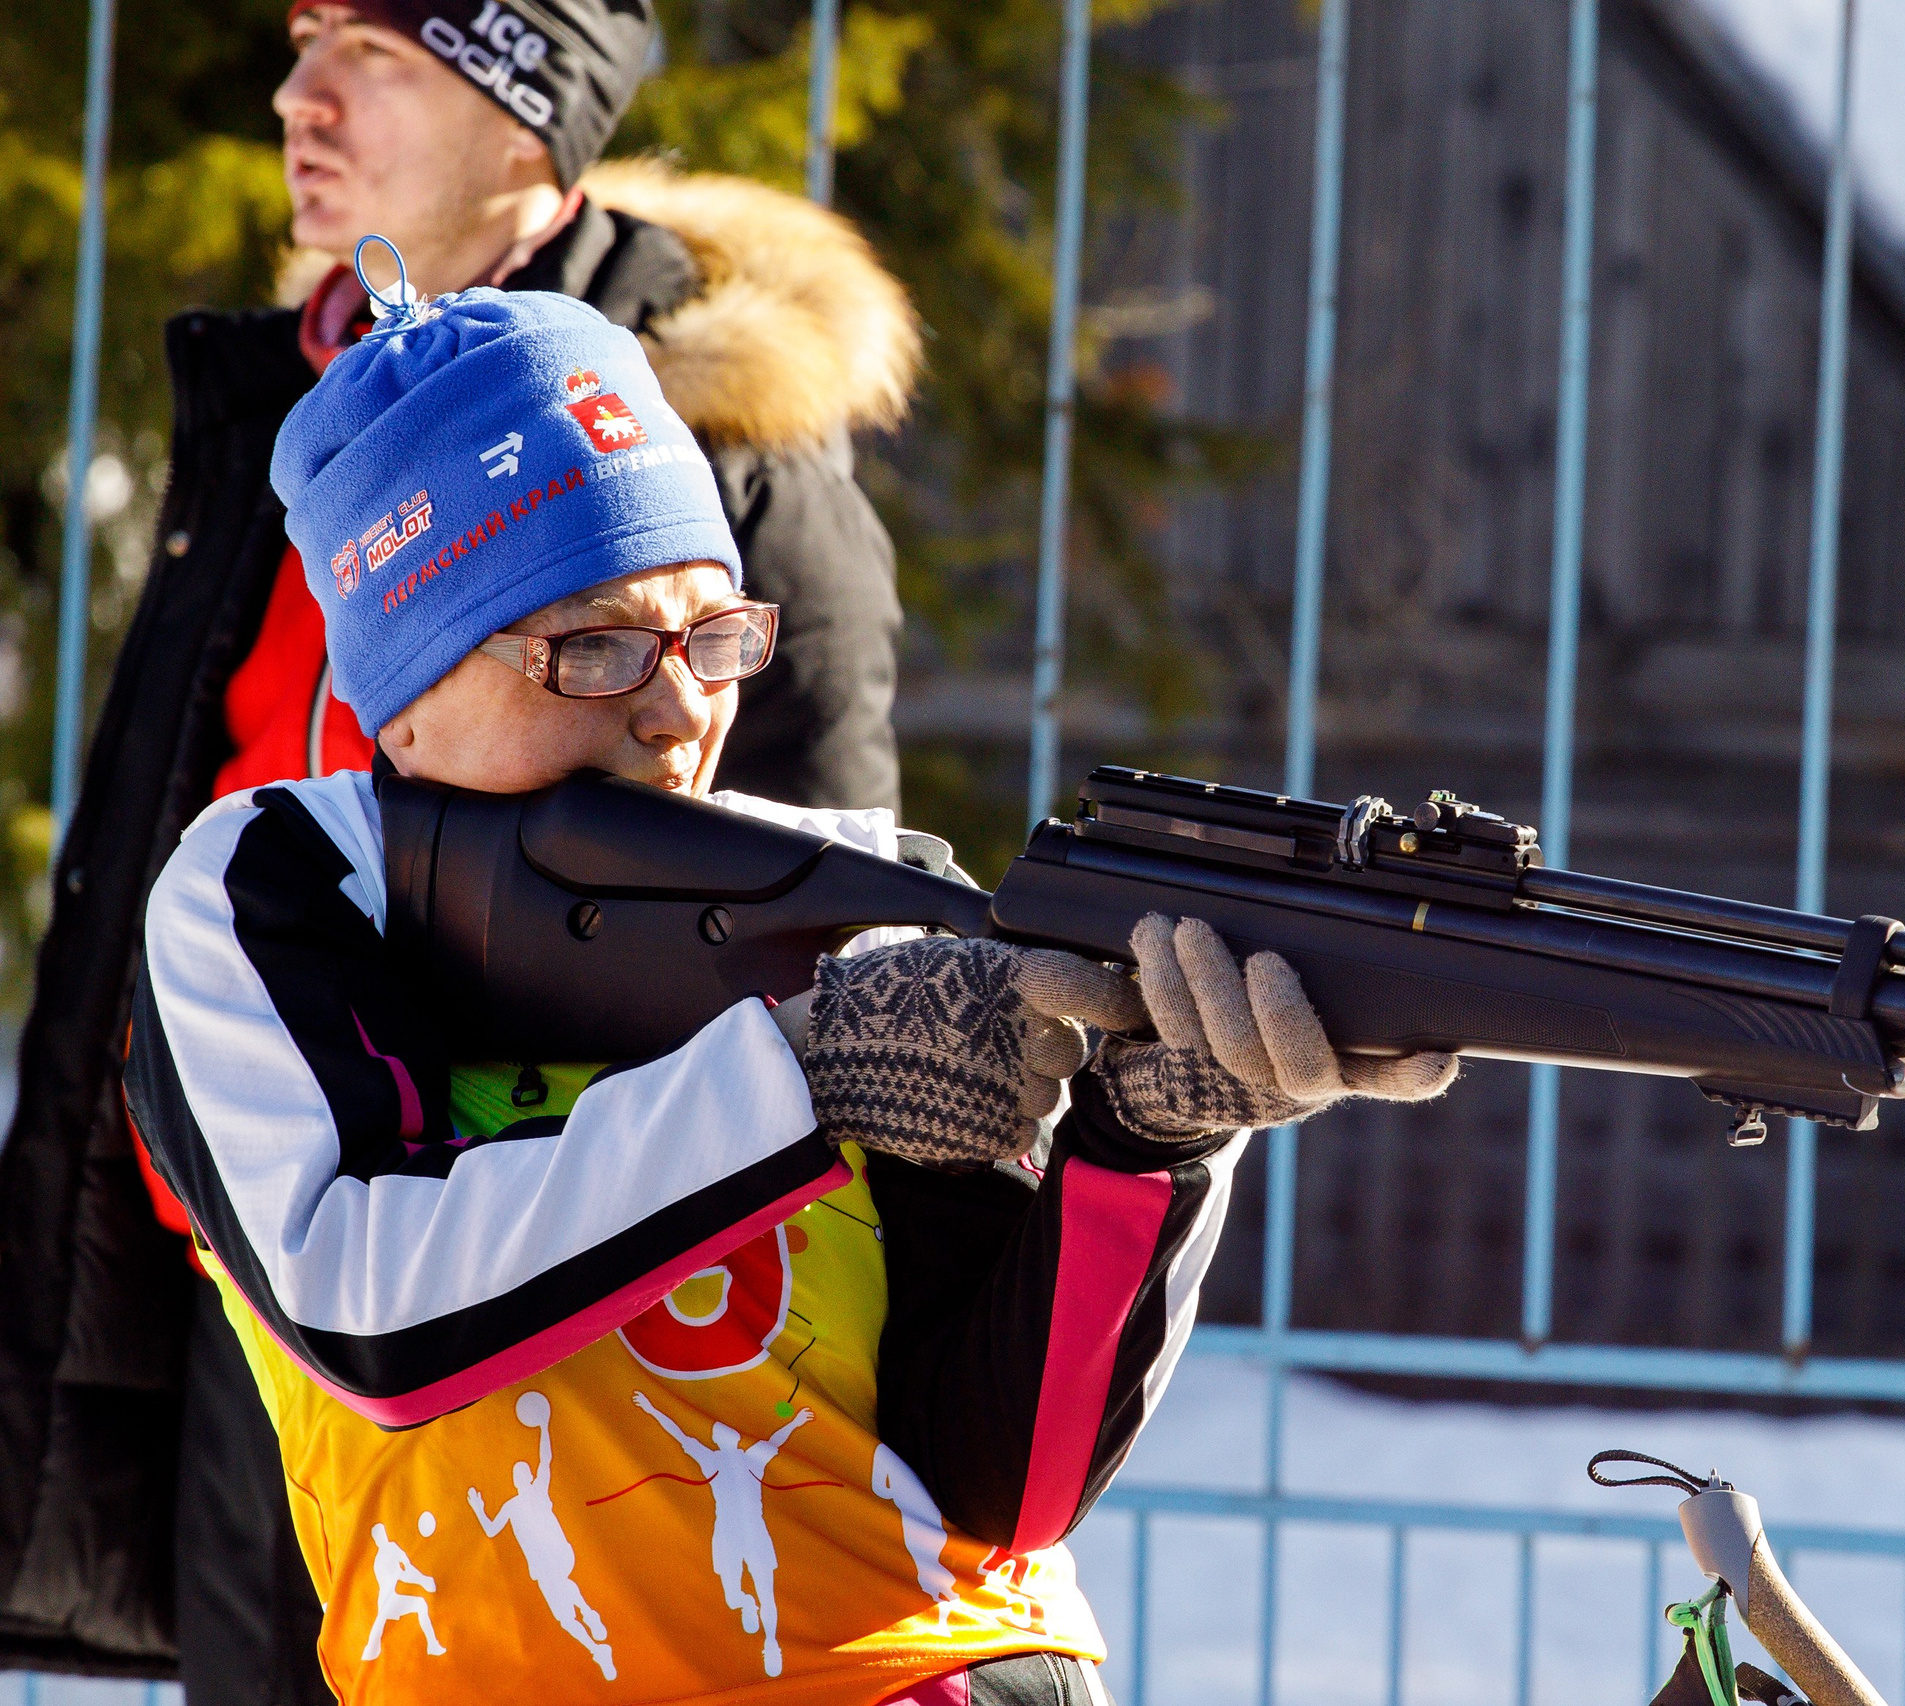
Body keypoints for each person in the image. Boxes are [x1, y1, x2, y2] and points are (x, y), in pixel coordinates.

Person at [122, 280, 1455, 1702]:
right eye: (595, 646)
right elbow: (368, 1310)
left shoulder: (863, 901)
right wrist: (803, 1074)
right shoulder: (275, 893)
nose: (679, 709)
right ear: (400, 694)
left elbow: (1005, 1485)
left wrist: (1148, 1143)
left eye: (711, 637)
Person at [0, 2, 917, 1691]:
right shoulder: (291, 409)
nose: (299, 96)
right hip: (254, 1270)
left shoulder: (717, 446)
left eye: (376, 53)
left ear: (523, 119)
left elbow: (807, 898)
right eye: (301, 40)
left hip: (598, 1300)